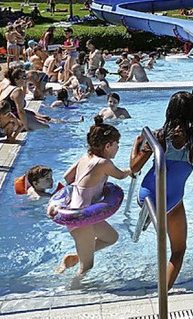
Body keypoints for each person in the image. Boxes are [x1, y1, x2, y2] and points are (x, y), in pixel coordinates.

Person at [130, 91, 193, 289]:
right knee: (178, 250)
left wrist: (136, 145)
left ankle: (150, 215)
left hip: (147, 195)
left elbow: (134, 168)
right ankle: (163, 292)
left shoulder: (158, 137)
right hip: (171, 200)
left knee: (156, 204)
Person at [51, 116, 131, 276]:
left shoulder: (86, 157)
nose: (118, 147)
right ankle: (73, 291)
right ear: (108, 146)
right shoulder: (103, 163)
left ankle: (73, 258)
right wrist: (131, 170)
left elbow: (67, 177)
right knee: (87, 266)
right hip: (80, 219)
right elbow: (121, 175)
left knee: (111, 237)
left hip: (85, 214)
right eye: (117, 144)